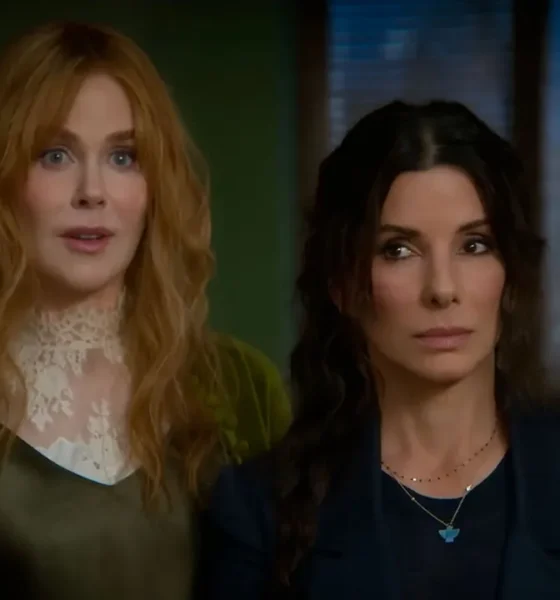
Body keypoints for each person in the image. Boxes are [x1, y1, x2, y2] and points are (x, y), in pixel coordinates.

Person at [195, 101, 560, 600]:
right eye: (398, 250)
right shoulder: (259, 511)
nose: (442, 288)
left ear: (510, 273)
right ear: (342, 284)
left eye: (474, 245)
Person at [0, 21, 291, 599]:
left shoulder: (240, 386)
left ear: (155, 184)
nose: (92, 191)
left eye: (123, 156)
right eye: (55, 155)